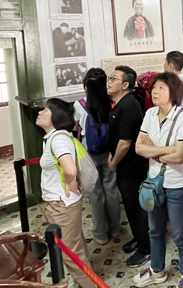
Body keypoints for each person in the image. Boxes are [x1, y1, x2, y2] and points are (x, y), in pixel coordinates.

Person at [133, 72, 183, 288]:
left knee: (180, 233)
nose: (155, 92)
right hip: (154, 183)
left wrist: (153, 150)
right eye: (154, 88)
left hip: (178, 184)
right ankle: (157, 270)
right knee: (155, 230)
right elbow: (138, 148)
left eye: (161, 88)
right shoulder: (150, 114)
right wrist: (168, 149)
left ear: (173, 93)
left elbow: (181, 156)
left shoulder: (182, 117)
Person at [36, 98, 97, 288]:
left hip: (63, 203)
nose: (40, 113)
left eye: (45, 110)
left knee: (70, 253)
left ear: (56, 116)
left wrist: (71, 182)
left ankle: (90, 284)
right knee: (76, 245)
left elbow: (70, 169)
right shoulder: (55, 137)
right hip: (64, 202)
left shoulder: (58, 139)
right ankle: (84, 280)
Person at [106, 65, 151, 268]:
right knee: (130, 207)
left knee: (136, 208)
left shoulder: (130, 106)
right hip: (124, 165)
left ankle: (146, 249)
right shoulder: (119, 104)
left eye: (113, 79)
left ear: (125, 85)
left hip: (133, 167)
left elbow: (125, 143)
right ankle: (138, 238)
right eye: (110, 78)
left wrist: (114, 162)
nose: (109, 82)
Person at [73, 69, 120, 246]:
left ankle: (100, 233)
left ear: (86, 85)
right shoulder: (112, 102)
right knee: (111, 190)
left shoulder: (79, 105)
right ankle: (115, 228)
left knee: (95, 193)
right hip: (110, 152)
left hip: (88, 154)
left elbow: (76, 126)